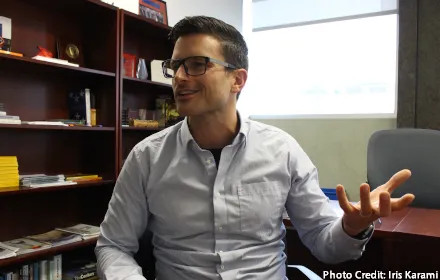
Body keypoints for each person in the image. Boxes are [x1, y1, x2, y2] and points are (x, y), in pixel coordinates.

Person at [95, 16, 415, 280]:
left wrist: (353, 226)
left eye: (196, 64)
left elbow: (324, 243)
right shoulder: (146, 157)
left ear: (238, 80)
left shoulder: (282, 151)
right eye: (175, 65)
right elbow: (113, 245)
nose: (178, 77)